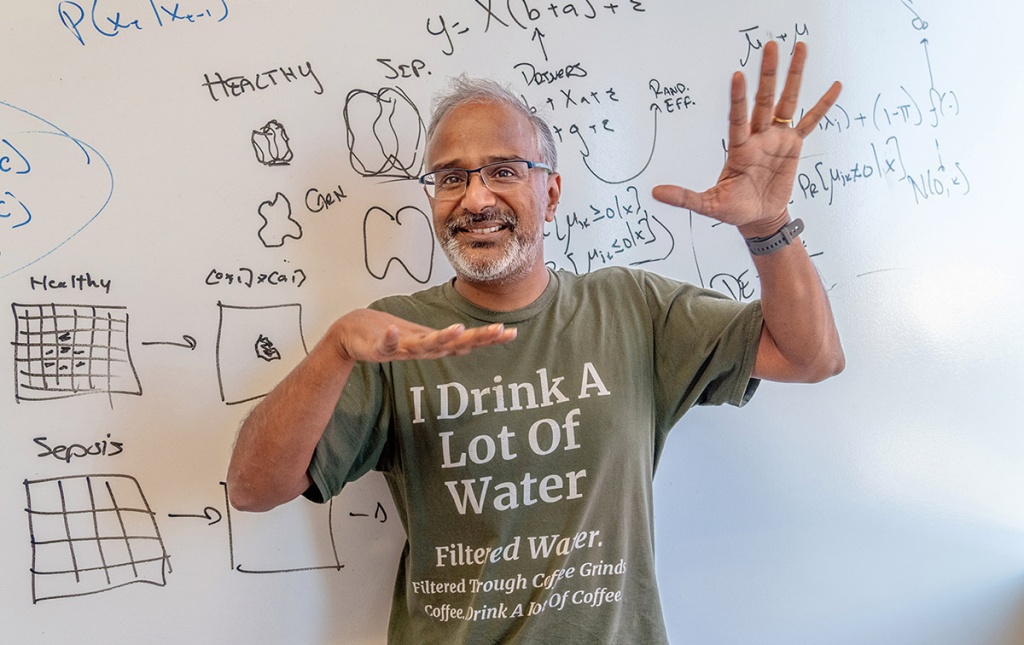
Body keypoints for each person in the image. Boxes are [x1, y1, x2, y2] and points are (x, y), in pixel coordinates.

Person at [227, 40, 845, 644]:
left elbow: (809, 356)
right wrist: (334, 349)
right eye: (451, 178)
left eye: (502, 171)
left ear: (549, 194)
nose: (474, 197)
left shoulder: (632, 308)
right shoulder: (389, 338)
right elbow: (253, 490)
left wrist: (767, 226)